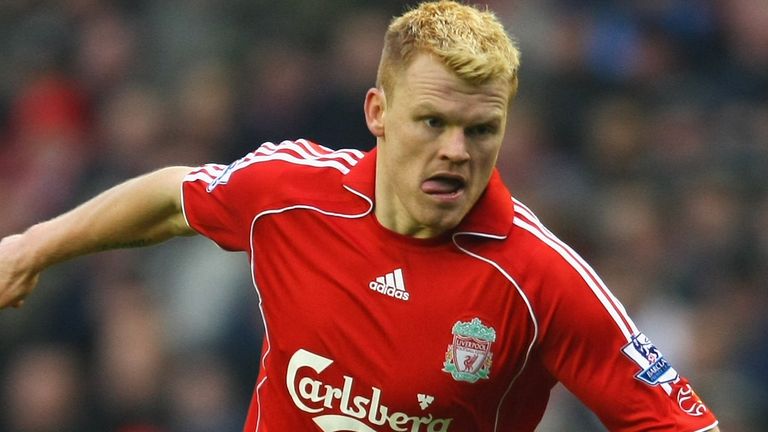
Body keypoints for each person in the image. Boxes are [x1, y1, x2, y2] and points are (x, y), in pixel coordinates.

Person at [0, 1, 720, 431]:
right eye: (431, 121)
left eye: (481, 131)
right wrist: (33, 246)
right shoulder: (291, 192)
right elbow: (170, 197)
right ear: (377, 112)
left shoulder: (540, 279)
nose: (454, 152)